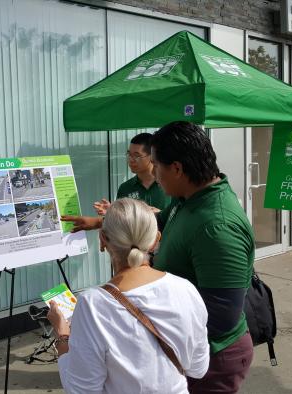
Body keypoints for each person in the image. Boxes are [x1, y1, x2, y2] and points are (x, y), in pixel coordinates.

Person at [61, 121, 255, 394]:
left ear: (176, 168)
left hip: (214, 358)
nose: (154, 172)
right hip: (179, 347)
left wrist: (144, 326)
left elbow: (222, 316)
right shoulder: (187, 197)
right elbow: (155, 223)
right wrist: (100, 223)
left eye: (156, 165)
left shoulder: (217, 226)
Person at [48, 198, 209, 394]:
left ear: (102, 239)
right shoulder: (186, 289)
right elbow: (198, 369)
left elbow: (81, 389)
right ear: (156, 240)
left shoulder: (93, 304)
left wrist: (62, 335)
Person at [94, 133, 170, 215]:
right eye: (129, 155)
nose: (131, 160)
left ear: (151, 156)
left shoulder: (169, 184)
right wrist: (112, 212)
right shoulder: (125, 188)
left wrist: (160, 214)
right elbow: (122, 220)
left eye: (136, 156)